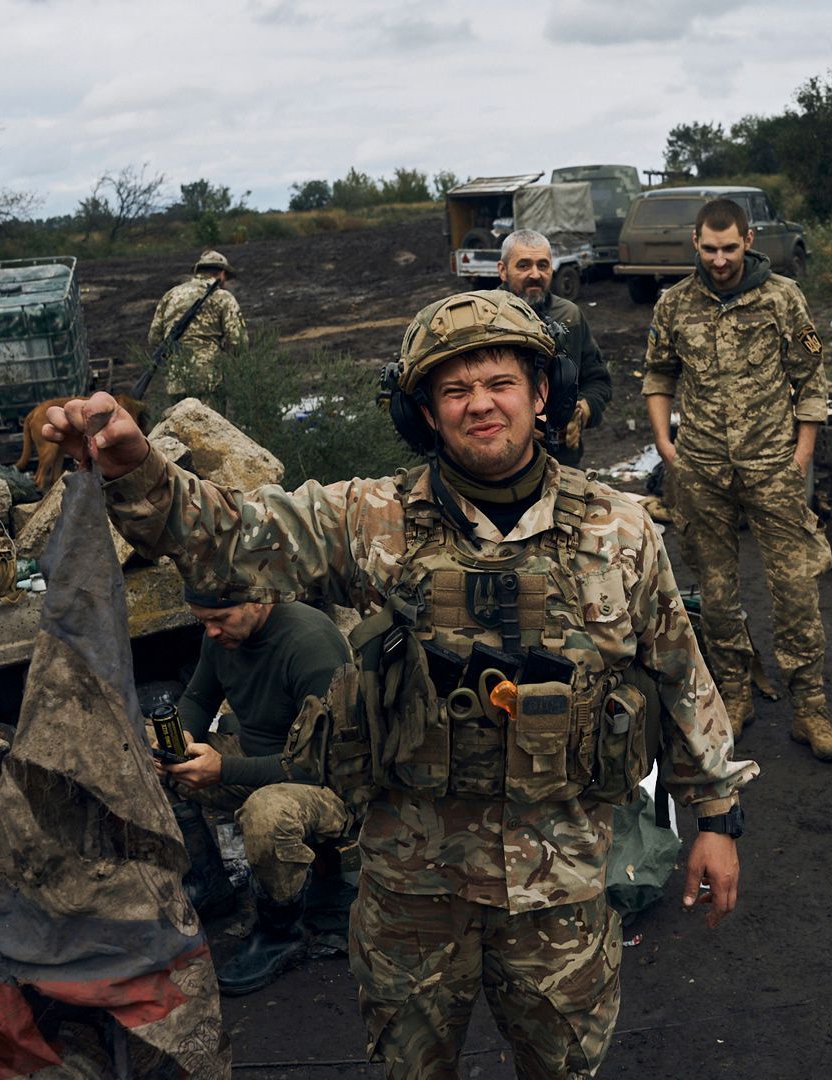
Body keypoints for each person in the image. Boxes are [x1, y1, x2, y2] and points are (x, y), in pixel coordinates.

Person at [42, 288, 754, 1079]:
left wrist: (718, 818)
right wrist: (137, 467)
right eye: (454, 389)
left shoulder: (620, 529)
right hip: (415, 891)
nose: (480, 404)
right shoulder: (370, 519)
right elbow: (228, 537)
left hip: (560, 888)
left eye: (500, 383)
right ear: (424, 410)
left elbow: (680, 673)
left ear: (542, 393)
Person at [643, 196, 832, 760]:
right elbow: (659, 372)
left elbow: (811, 380)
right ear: (695, 243)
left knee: (796, 587)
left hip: (773, 465)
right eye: (709, 248)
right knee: (717, 589)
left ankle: (810, 707)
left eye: (730, 247)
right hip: (701, 467)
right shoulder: (675, 304)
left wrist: (801, 456)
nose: (720, 259)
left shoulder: (783, 298)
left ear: (748, 240)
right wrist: (665, 442)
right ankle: (734, 693)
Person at [159, 594, 358, 996]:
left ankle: (281, 930)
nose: (211, 631)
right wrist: (180, 741)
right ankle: (210, 884)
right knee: (150, 757)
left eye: (220, 618)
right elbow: (198, 698)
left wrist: (223, 769)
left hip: (330, 785)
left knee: (267, 814)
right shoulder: (219, 638)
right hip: (257, 762)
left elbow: (317, 766)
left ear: (260, 599)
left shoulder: (309, 644)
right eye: (203, 621)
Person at [495, 229, 611, 466]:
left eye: (543, 265)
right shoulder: (482, 319)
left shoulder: (570, 316)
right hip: (499, 465)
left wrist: (582, 411)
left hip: (563, 462)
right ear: (503, 270)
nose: (535, 274)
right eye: (524, 266)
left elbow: (599, 382)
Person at [147, 249, 248, 412]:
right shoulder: (223, 297)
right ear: (221, 273)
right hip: (209, 380)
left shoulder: (170, 295)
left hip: (176, 380)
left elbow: (154, 338)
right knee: (211, 432)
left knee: (181, 433)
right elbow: (238, 342)